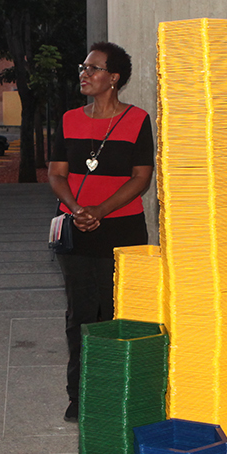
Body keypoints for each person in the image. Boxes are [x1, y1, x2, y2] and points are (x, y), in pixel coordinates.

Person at [48, 42, 155, 422]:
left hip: (122, 230)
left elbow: (141, 178)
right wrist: (79, 210)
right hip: (74, 229)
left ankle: (115, 391)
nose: (85, 73)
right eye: (83, 67)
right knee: (80, 314)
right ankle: (78, 395)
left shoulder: (138, 120)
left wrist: (101, 211)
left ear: (114, 78)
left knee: (117, 312)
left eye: (93, 68)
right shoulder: (68, 120)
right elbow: (56, 173)